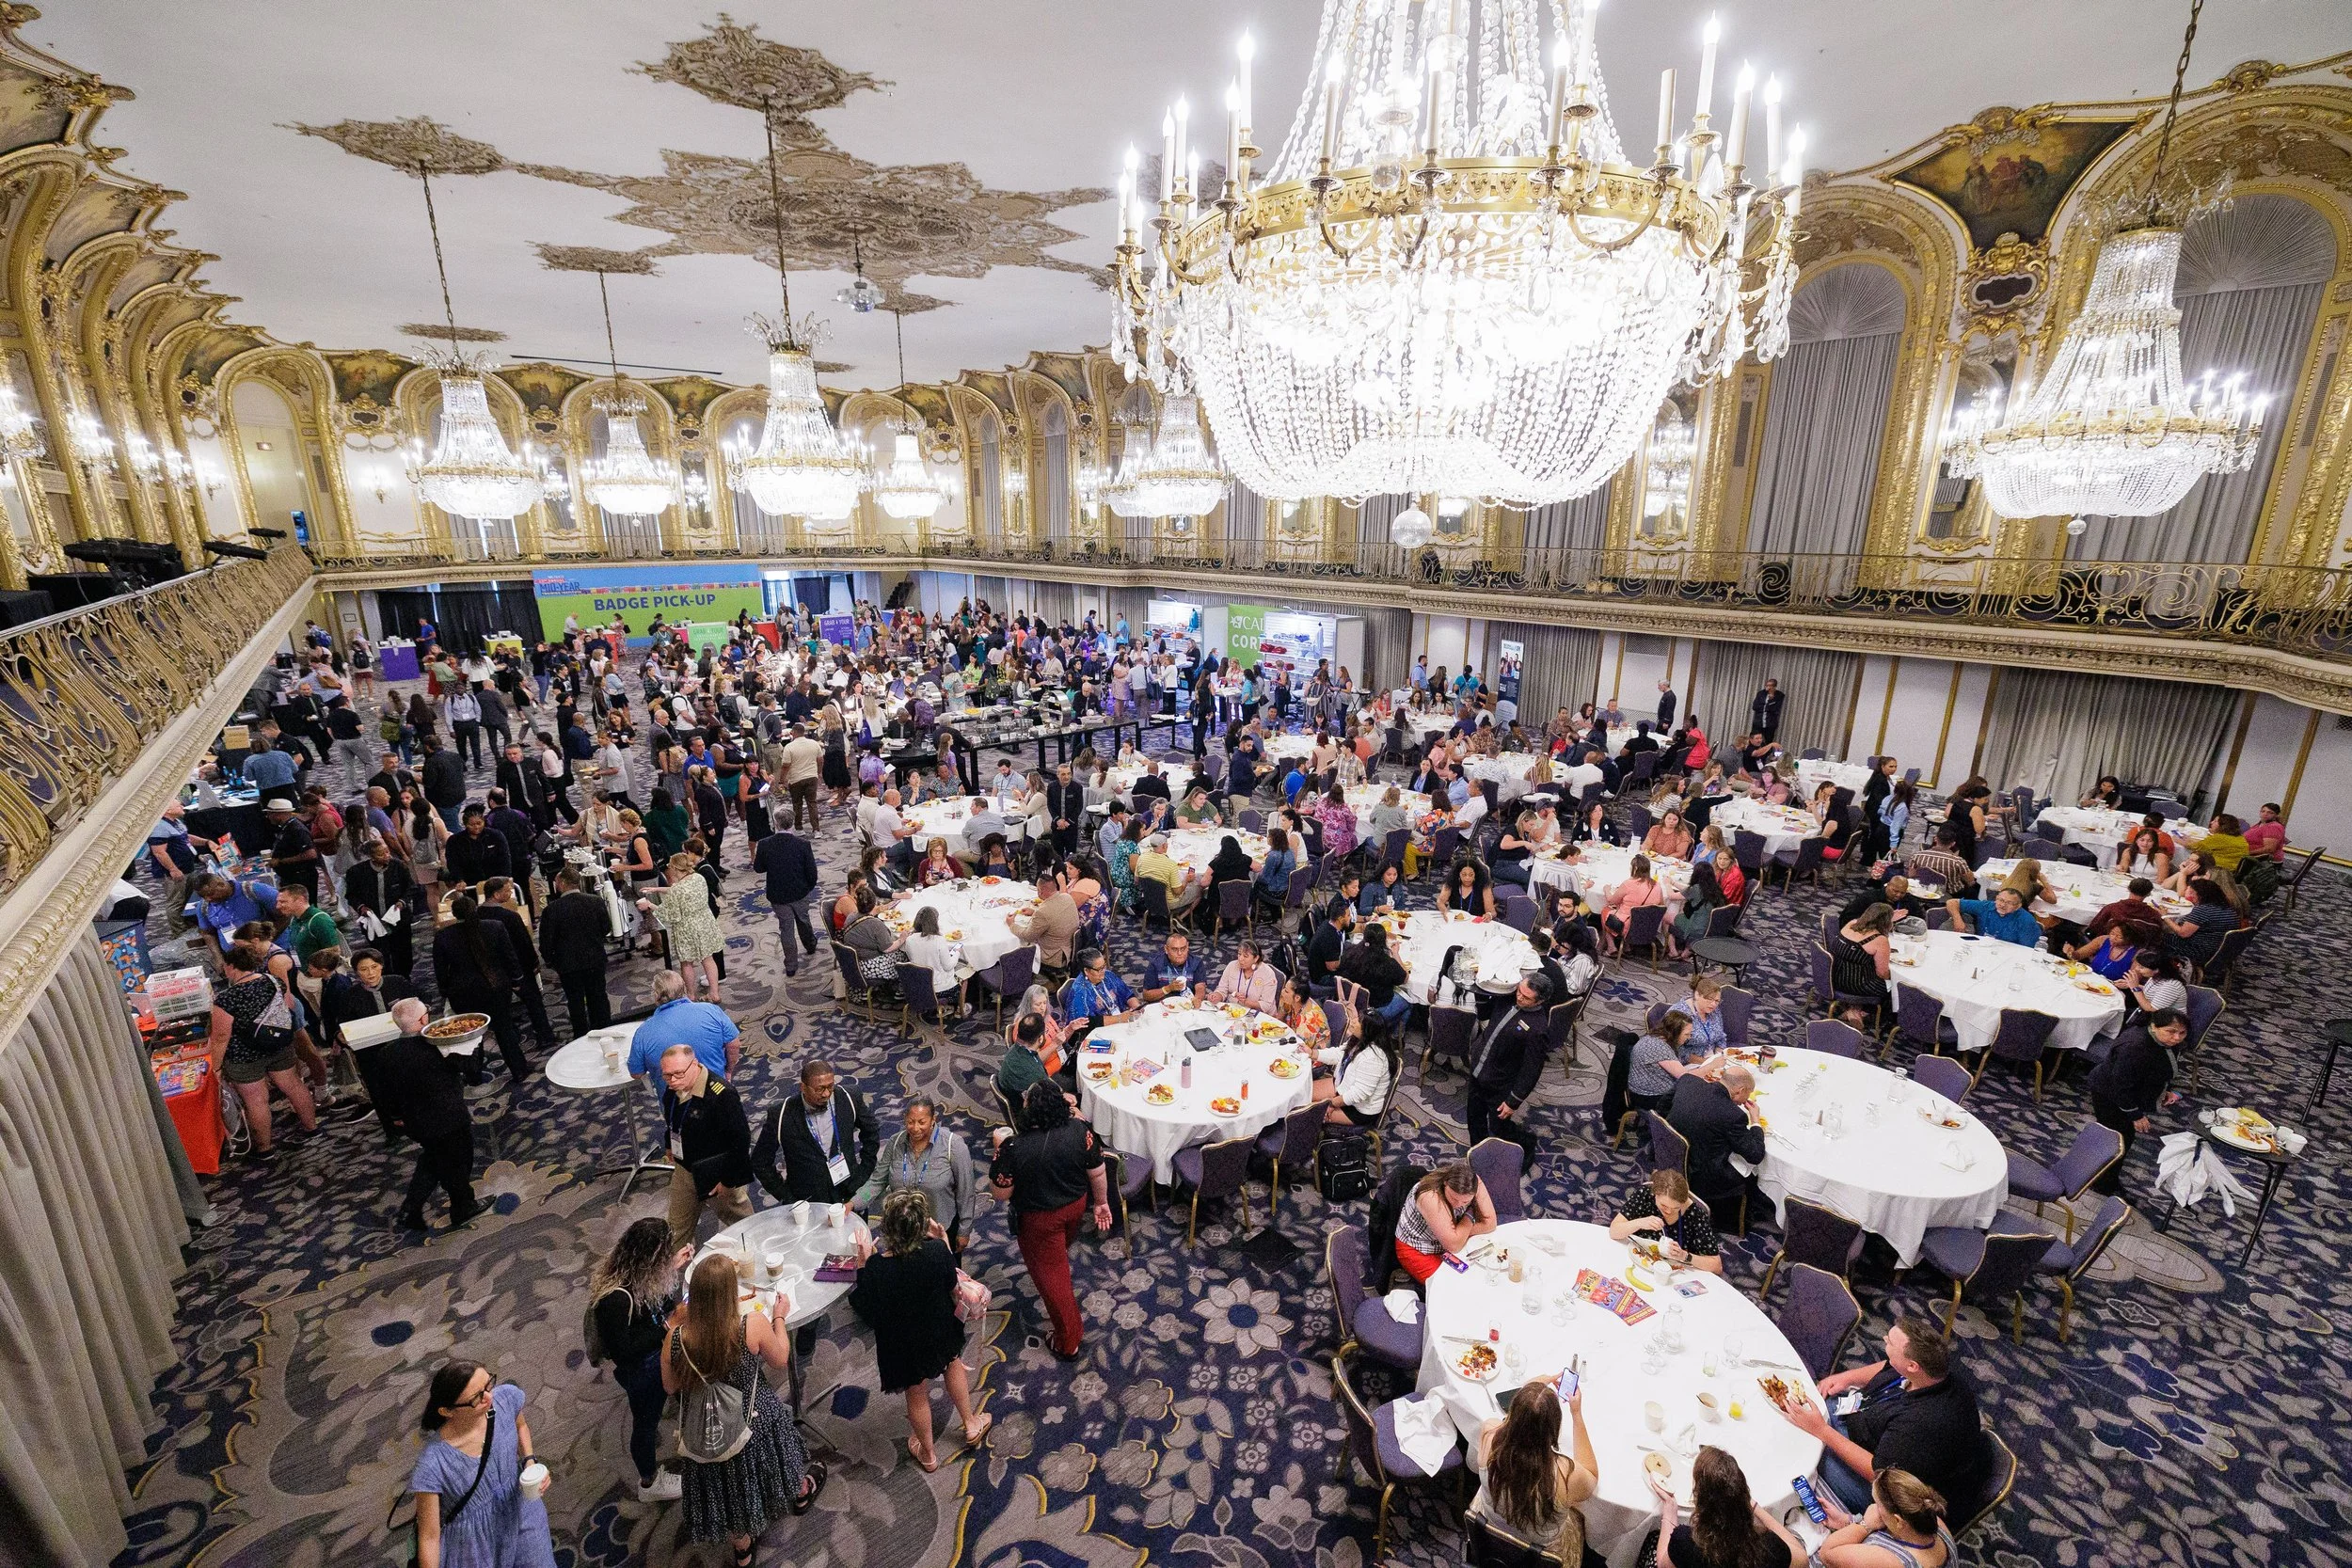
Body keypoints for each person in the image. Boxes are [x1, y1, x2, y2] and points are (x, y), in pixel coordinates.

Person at [662, 1252, 823, 1563]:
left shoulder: (676, 1338)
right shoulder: (750, 1325)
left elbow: (670, 1387)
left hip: (707, 1427)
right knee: (776, 1453)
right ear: (730, 1293)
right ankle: (799, 1492)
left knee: (728, 1486)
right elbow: (780, 1358)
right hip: (754, 1418)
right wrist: (779, 1316)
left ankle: (743, 1549)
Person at [1772, 1315, 1992, 1515]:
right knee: (1808, 1409)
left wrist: (1822, 1431)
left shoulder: (1923, 1424)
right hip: (1871, 1425)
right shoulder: (1931, 1371)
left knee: (1806, 1454)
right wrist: (1847, 1378)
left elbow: (1880, 1473)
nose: (1885, 1339)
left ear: (1913, 1366)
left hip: (1886, 1492)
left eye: (1890, 1343)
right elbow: (1890, 1365)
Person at [849, 1188, 993, 1472]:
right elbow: (953, 1284)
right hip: (939, 1329)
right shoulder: (937, 1251)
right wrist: (944, 1243)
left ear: (887, 1227)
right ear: (920, 1226)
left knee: (916, 1393)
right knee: (953, 1365)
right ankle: (971, 1425)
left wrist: (863, 1264)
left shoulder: (877, 1267)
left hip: (902, 1344)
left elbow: (867, 1308)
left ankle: (928, 1454)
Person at [988, 1080, 1111, 1360]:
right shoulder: (1081, 1131)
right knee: (1057, 1258)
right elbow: (1098, 1171)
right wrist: (1102, 1203)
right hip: (1075, 1208)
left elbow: (1000, 1193)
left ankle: (1069, 1342)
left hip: (1040, 1220)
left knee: (1054, 1280)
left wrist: (999, 1149)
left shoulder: (1012, 1146)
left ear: (1028, 1108)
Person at [407, 1362, 558, 1568]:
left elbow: (520, 1424)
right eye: (477, 1397)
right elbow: (429, 1537)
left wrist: (529, 1461)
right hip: (473, 1543)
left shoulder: (505, 1400)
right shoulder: (432, 1465)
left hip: (522, 1511)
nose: (489, 1397)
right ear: (447, 1411)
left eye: (488, 1385)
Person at [591, 1217, 693, 1501]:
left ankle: (690, 1435)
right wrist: (668, 1326)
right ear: (648, 1260)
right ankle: (649, 1483)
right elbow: (624, 1350)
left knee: (683, 1393)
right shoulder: (615, 1300)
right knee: (646, 1423)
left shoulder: (632, 1271)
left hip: (658, 1354)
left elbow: (649, 1301)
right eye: (662, 1257)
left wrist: (672, 1266)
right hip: (642, 1370)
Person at [376, 997, 480, 1230]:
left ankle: (410, 1209)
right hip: (449, 1118)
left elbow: (384, 1091)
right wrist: (473, 1045)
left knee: (433, 1159)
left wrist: (394, 1117)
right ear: (423, 1019)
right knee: (458, 1161)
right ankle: (463, 1207)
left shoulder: (386, 1054)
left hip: (415, 1122)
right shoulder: (438, 1047)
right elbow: (472, 1072)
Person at [207, 940, 317, 1160]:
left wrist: (216, 1068)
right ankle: (312, 1127)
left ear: (230, 967)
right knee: (294, 1086)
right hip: (278, 1045)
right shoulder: (273, 981)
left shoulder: (227, 999)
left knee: (256, 1101)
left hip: (244, 1057)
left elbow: (220, 1037)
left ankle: (265, 1149)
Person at [1470, 1379, 1600, 1565]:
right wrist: (1576, 1414)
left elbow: (1506, 1424)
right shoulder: (1565, 1474)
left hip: (1489, 1529)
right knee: (1579, 1514)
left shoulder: (1490, 1433)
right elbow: (1592, 1477)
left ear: (1512, 1415)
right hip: (1539, 1555)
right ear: (1553, 1428)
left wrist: (1530, 1393)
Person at [850, 1094, 977, 1249]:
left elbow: (966, 1191)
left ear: (933, 1120)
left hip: (938, 1231)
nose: (915, 1128)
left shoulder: (953, 1146)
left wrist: (964, 1230)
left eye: (922, 1122)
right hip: (902, 1231)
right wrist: (853, 1203)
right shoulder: (895, 1143)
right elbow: (877, 1181)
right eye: (910, 1122)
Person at [657, 1043, 755, 1243]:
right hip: (685, 1170)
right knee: (674, 1233)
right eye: (667, 1075)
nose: (672, 1080)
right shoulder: (672, 1089)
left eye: (678, 1074)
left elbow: (740, 1140)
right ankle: (671, 1271)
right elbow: (672, 1121)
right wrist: (669, 1144)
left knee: (746, 1228)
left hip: (716, 1175)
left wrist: (727, 1181)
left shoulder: (721, 1094)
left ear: (695, 1065)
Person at [1650, 1445, 1805, 1568]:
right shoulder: (1769, 1548)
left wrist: (1670, 1508)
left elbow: (1663, 1564)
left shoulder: (1687, 1541)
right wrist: (1754, 1505)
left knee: (1652, 1538)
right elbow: (1802, 1559)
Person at [753, 1057, 881, 1204]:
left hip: (848, 1191)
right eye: (820, 1089)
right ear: (803, 1087)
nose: (826, 1094)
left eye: (830, 1086)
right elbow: (760, 1161)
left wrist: (862, 1173)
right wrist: (785, 1196)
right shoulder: (781, 1114)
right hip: (807, 1201)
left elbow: (871, 1131)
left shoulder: (849, 1098)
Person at [2087, 1007, 2186, 1196]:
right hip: (2109, 1093)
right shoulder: (2135, 1048)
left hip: (2126, 1090)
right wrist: (2136, 1115)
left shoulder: (2161, 1041)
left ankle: (2101, 1176)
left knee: (2119, 1137)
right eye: (2171, 1032)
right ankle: (2103, 1184)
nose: (2177, 1038)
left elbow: (2162, 1067)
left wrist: (2166, 1090)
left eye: (2182, 1033)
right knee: (2119, 1139)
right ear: (2154, 1026)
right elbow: (2121, 1086)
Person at [1466, 974, 1554, 1156]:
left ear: (1540, 1001)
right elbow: (1484, 1013)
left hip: (1500, 1085)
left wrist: (1513, 1101)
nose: (1519, 997)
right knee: (1474, 1120)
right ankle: (1479, 1156)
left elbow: (1532, 1069)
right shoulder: (1507, 996)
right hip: (1478, 1071)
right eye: (1519, 991)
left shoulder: (1537, 1028)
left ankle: (1526, 1145)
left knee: (1500, 1130)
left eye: (1526, 997)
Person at [1668, 1062, 1765, 1217]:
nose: (1746, 1098)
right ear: (1740, 1090)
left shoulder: (1688, 1081)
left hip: (1670, 1154)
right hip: (1702, 1176)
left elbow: (1662, 1108)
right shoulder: (1733, 1115)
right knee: (1753, 1170)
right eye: (1748, 1093)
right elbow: (1756, 1155)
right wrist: (1755, 1122)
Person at [1815, 1468, 1956, 1568]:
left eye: (1877, 1505)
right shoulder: (1929, 1516)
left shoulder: (1894, 1561)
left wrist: (1865, 1524)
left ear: (1898, 1521)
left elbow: (1826, 1554)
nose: (1873, 1507)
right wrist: (1849, 1521)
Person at [1392, 1161, 1498, 1281]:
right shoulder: (1430, 1197)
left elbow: (1490, 1223)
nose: (1458, 1205)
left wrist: (1457, 1234)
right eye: (1454, 1198)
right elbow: (1454, 1246)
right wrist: (1470, 1215)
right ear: (1445, 1183)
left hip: (1448, 1240)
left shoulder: (1475, 1182)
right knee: (1453, 1285)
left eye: (1465, 1202)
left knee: (1481, 1274)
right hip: (1418, 1249)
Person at [539, 869, 613, 1037]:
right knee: (599, 996)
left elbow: (546, 942)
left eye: (557, 882)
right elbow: (606, 928)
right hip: (595, 959)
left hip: (568, 965)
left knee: (575, 1001)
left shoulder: (551, 910)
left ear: (563, 884)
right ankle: (605, 1030)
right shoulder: (596, 901)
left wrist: (551, 961)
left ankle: (581, 1035)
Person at [1608, 1166, 1723, 1273]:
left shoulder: (1696, 1215)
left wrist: (1685, 1256)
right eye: (1664, 1206)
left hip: (1672, 1271)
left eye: (1676, 1208)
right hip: (1638, 1260)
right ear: (1655, 1194)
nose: (1668, 1212)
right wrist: (1639, 1222)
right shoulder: (1644, 1196)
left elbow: (1717, 1266)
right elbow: (1614, 1231)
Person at [1311, 1005, 1396, 1129]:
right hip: (1343, 1085)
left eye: (1359, 1021)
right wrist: (1312, 1053)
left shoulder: (1373, 1058)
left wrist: (1332, 1103)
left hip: (1359, 1109)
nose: (1353, 1021)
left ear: (1367, 1030)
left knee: (1307, 1114)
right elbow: (1338, 1054)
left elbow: (1359, 1093)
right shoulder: (1357, 1040)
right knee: (1303, 1094)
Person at [1626, 1009, 1699, 1115]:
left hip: (1644, 1089)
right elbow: (1686, 1077)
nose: (1689, 1038)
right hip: (1649, 1098)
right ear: (1674, 1032)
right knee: (1699, 1099)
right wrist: (1711, 1065)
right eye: (1686, 1034)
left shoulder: (1655, 1037)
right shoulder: (1659, 1048)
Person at [1010, 868, 1080, 974]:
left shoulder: (1043, 912)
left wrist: (1011, 924)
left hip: (1054, 956)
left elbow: (1028, 936)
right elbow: (1055, 916)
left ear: (1040, 891)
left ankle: (1035, 980)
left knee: (1017, 949)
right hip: (1071, 947)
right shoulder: (1067, 897)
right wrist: (1034, 912)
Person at [2164, 878, 2240, 972]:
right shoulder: (2229, 910)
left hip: (2198, 951)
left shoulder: (2203, 911)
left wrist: (2164, 916)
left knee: (2155, 936)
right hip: (2220, 951)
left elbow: (2183, 933)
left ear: (2198, 895)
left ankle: (2160, 969)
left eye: (2191, 891)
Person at [1060, 947, 1138, 1036]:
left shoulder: (1108, 976)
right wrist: (1119, 1018)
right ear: (1086, 970)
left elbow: (1127, 994)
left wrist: (1137, 1007)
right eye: (1099, 969)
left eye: (1104, 966)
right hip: (1096, 1033)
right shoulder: (1080, 991)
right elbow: (1086, 1022)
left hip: (1118, 1022)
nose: (1103, 971)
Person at [1833, 902, 1896, 1007]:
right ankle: (1866, 1013)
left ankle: (1853, 1009)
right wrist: (1895, 978)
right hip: (1859, 985)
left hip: (1834, 977)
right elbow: (1882, 973)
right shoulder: (1879, 940)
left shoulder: (1851, 924)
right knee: (1897, 988)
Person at [1942, 885, 2042, 949]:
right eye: (2001, 900)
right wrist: (1958, 920)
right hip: (1979, 948)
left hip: (2006, 956)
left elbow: (2027, 951)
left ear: (2018, 906)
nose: (2002, 905)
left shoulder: (2026, 921)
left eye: (2009, 903)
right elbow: (1952, 902)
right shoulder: (1986, 906)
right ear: (1996, 898)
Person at [1212, 938, 1282, 1012]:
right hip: (1233, 1011)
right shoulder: (1231, 966)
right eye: (1239, 954)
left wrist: (1246, 1002)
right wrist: (1217, 995)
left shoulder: (1267, 973)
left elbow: (1267, 1005)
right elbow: (1222, 989)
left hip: (1260, 1015)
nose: (1240, 958)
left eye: (1245, 956)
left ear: (1256, 958)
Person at [1139, 928, 1209, 1003]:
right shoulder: (1156, 964)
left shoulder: (1196, 962)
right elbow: (1146, 995)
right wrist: (1168, 989)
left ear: (1187, 946)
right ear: (1166, 949)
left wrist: (1197, 999)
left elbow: (1200, 987)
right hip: (1164, 1006)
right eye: (1175, 949)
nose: (1179, 953)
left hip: (1188, 1004)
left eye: (1183, 949)